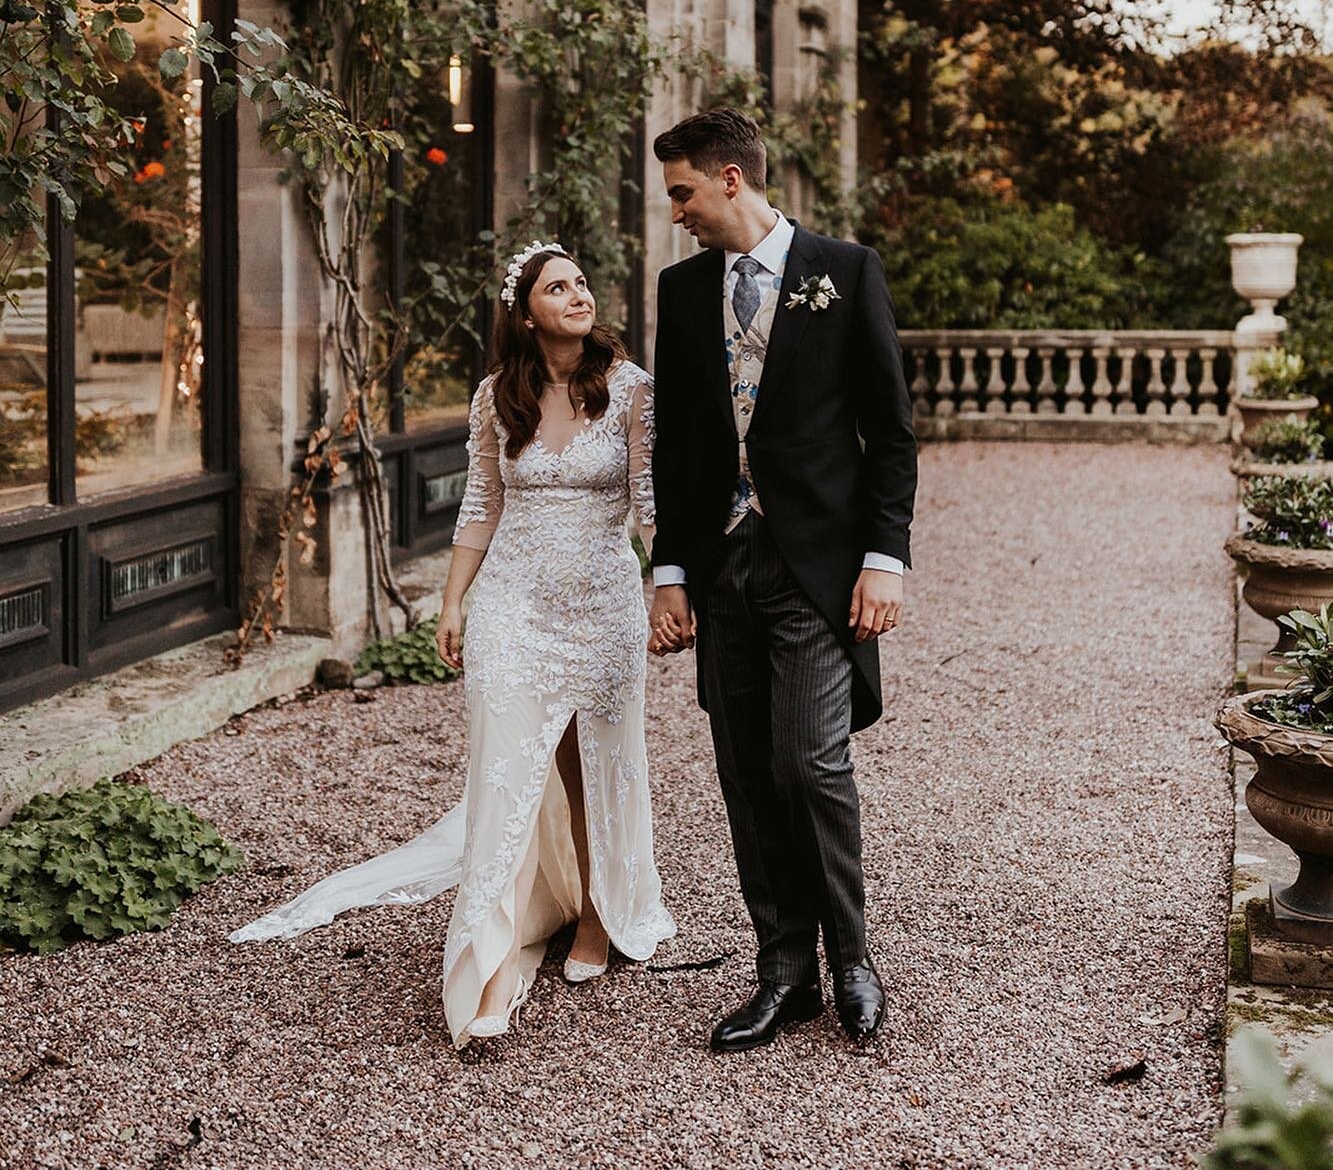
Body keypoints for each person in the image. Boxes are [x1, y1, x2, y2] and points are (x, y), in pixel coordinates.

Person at [231, 242, 674, 1048]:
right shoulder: (493, 398)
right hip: (513, 602)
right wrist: (452, 600)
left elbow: (649, 503)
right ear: (525, 311)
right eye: (558, 287)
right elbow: (480, 504)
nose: (578, 295)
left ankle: (600, 917)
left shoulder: (633, 389)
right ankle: (491, 955)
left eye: (581, 283)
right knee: (506, 766)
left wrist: (672, 587)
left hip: (603, 604)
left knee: (593, 766)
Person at [647, 106, 917, 1052]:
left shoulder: (845, 273)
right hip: (723, 568)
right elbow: (679, 446)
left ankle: (852, 956)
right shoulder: (680, 293)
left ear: (730, 178)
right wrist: (670, 571)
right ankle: (783, 973)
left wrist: (884, 558)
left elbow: (888, 434)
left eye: (681, 189)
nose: (673, 209)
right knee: (746, 774)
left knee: (810, 760)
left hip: (818, 566)